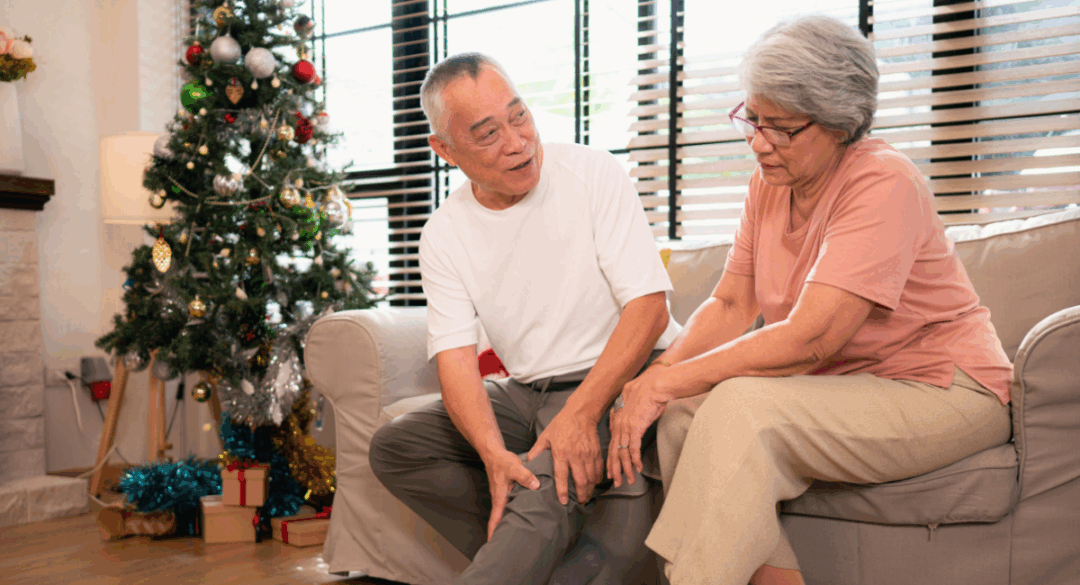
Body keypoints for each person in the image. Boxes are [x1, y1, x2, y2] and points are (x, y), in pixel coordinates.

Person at [605, 15, 1014, 585]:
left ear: (840, 124)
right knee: (681, 417)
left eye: (781, 128)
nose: (758, 141)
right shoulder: (767, 184)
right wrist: (659, 379)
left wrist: (667, 379)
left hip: (943, 387)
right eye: (753, 119)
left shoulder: (883, 183)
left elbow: (812, 337)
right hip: (850, 385)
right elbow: (729, 305)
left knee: (737, 408)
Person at [368, 53, 681, 585]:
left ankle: (525, 551)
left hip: (621, 373)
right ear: (444, 149)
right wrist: (493, 456)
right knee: (397, 446)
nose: (517, 142)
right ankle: (539, 552)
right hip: (525, 391)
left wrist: (579, 415)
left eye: (520, 116)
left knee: (546, 480)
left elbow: (649, 311)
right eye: (488, 133)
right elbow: (456, 360)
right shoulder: (443, 233)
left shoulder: (591, 173)